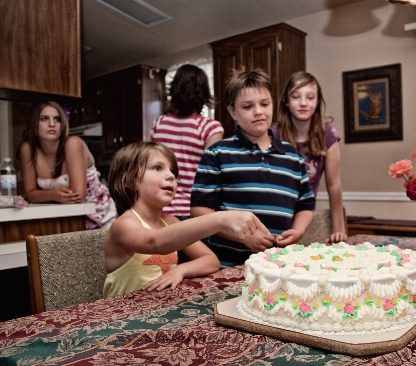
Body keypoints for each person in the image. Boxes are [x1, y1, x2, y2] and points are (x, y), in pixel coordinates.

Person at [103, 141, 268, 297]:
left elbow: (211, 261)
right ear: (128, 180)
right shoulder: (123, 225)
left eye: (173, 172)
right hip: (121, 317)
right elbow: (155, 242)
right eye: (157, 168)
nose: (170, 176)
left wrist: (179, 270)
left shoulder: (170, 221)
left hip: (157, 311)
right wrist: (219, 219)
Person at [190, 69, 316, 267]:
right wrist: (243, 237)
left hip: (277, 267)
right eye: (247, 106)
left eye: (265, 104)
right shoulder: (217, 153)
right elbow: (199, 211)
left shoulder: (292, 156)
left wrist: (298, 231)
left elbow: (305, 205)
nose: (258, 111)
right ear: (233, 111)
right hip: (227, 266)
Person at [274, 71, 347, 244]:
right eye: (296, 96)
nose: (303, 103)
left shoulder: (327, 135)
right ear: (286, 100)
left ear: (317, 101)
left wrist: (338, 229)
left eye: (310, 97)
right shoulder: (272, 135)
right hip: (277, 219)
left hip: (305, 217)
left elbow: (333, 184)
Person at [19, 101, 117, 229]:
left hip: (98, 214)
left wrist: (43, 195)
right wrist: (53, 195)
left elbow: (77, 196)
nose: (52, 124)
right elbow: (30, 194)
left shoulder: (73, 143)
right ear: (34, 124)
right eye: (44, 119)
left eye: (57, 119)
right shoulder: (27, 149)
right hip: (62, 217)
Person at [149, 64, 224, 218]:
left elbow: (149, 166)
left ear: (174, 90)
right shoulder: (210, 128)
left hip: (159, 210)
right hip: (193, 211)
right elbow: (210, 177)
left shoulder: (159, 124)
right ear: (203, 93)